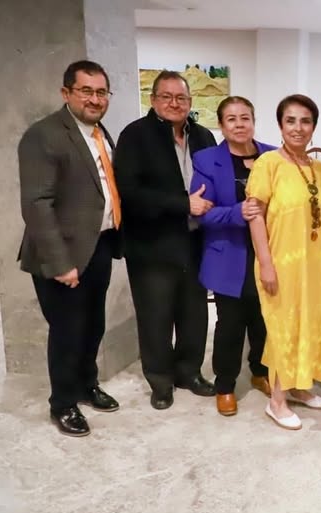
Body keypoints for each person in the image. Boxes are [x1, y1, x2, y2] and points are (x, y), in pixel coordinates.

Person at [17, 60, 122, 436]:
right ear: (66, 93)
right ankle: (62, 403)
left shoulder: (99, 132)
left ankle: (86, 384)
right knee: (67, 331)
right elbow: (37, 204)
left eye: (101, 92)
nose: (95, 99)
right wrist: (60, 262)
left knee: (93, 325)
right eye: (86, 91)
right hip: (62, 253)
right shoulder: (43, 135)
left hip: (99, 245)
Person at [114, 71, 217, 410]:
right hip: (151, 245)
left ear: (190, 102)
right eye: (167, 96)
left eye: (181, 98)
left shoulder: (203, 136)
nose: (175, 103)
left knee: (194, 315)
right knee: (155, 318)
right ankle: (160, 382)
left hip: (195, 242)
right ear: (153, 99)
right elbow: (130, 192)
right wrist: (183, 204)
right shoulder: (135, 135)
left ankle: (189, 372)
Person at [246, 94, 321, 430]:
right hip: (280, 262)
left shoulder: (319, 168)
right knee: (284, 327)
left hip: (315, 264)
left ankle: (298, 385)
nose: (298, 128)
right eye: (291, 120)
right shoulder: (268, 163)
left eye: (305, 121)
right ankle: (277, 400)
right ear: (280, 125)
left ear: (314, 127)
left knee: (309, 323)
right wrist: (265, 263)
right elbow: (255, 217)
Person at [190, 96, 276, 416]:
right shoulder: (206, 159)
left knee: (264, 320)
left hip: (269, 253)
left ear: (253, 120)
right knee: (231, 325)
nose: (239, 124)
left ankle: (260, 371)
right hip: (228, 253)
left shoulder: (272, 156)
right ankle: (225, 384)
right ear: (221, 125)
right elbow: (203, 213)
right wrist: (238, 213)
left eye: (245, 118)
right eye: (231, 119)